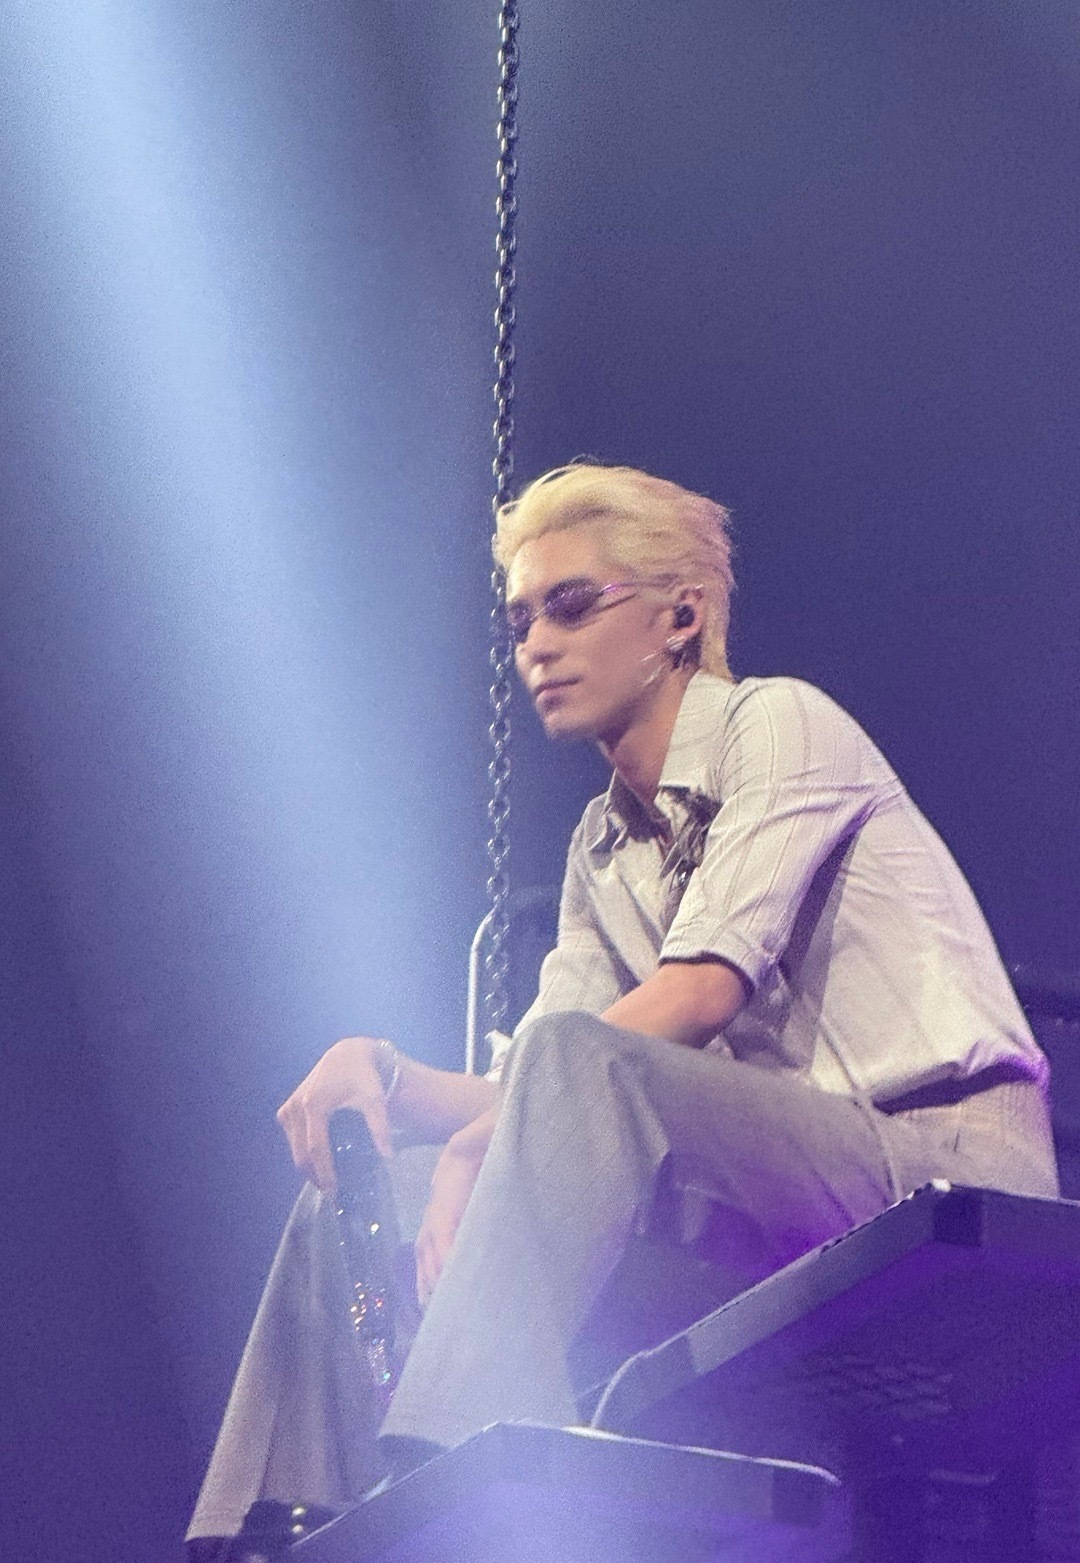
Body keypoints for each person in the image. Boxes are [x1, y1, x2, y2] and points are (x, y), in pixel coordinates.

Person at [263, 460, 1056, 1477]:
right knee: (369, 1190)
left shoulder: (781, 724)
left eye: (571, 605)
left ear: (680, 617)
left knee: (544, 1090)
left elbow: (696, 994)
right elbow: (549, 1100)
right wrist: (383, 1078)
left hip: (940, 1158)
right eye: (520, 622)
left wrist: (475, 1148)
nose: (537, 644)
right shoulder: (601, 848)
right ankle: (279, 1531)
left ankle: (469, 1487)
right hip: (778, 1198)